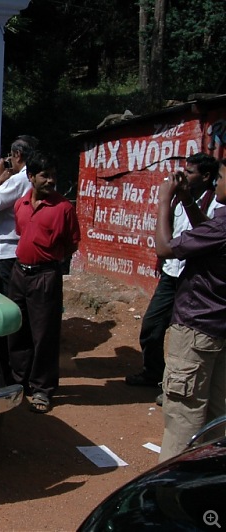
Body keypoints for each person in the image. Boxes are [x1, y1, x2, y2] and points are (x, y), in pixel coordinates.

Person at [126, 153, 221, 395]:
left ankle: (178, 385)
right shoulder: (180, 200)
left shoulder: (217, 203)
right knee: (152, 327)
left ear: (206, 176)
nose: (183, 176)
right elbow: (168, 233)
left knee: (186, 333)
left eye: (190, 172)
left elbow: (205, 233)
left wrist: (178, 200)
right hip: (171, 274)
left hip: (195, 279)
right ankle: (154, 372)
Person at [155, 158, 226, 462]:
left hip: (196, 329)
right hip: (219, 330)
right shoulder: (220, 225)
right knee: (215, 416)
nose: (217, 183)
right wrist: (185, 198)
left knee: (184, 422)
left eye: (221, 177)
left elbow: (164, 247)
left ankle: (171, 497)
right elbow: (208, 234)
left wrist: (163, 200)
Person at [7, 151, 80, 414]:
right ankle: (19, 381)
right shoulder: (21, 205)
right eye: (44, 175)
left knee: (44, 335)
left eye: (53, 176)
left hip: (45, 276)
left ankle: (42, 389)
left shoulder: (64, 208)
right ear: (30, 177)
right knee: (18, 330)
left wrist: (50, 262)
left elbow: (71, 244)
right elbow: (21, 233)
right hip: (19, 273)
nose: (50, 180)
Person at [0, 135, 39, 295]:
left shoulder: (19, 179)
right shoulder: (37, 177)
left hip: (7, 250)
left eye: (11, 156)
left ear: (17, 155)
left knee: (7, 296)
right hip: (26, 247)